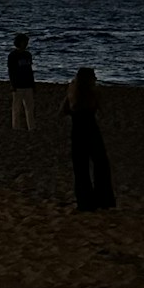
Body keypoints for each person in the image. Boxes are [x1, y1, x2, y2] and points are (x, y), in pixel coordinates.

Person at [61, 66, 115, 211]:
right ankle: (103, 199)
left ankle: (84, 202)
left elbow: (64, 110)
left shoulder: (72, 90)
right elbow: (101, 109)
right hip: (91, 128)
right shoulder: (93, 92)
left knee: (80, 167)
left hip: (77, 129)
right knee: (101, 164)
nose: (96, 79)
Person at [7, 32, 36, 130]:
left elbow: (30, 70)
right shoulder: (13, 55)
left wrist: (32, 83)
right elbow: (11, 71)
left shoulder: (28, 54)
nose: (26, 44)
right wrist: (13, 83)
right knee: (17, 108)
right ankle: (16, 127)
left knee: (30, 107)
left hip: (27, 84)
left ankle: (31, 127)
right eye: (24, 42)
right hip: (18, 84)